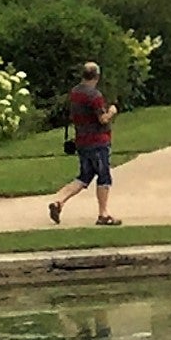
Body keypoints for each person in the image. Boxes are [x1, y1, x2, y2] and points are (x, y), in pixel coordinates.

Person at [49, 62, 121, 226]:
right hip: (98, 140)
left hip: (82, 141)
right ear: (97, 76)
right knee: (104, 176)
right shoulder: (94, 95)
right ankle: (103, 214)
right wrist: (112, 111)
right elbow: (102, 119)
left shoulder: (75, 92)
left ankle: (58, 201)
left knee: (84, 176)